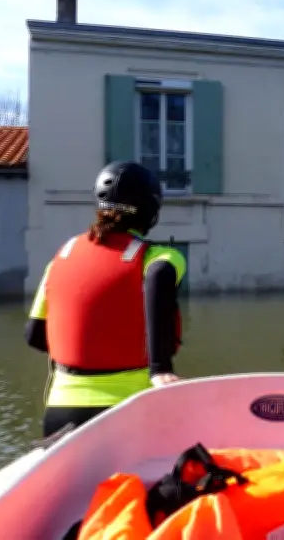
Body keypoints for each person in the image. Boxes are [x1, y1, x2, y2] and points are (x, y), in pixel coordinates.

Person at [25, 161, 187, 438]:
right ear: (151, 210)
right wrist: (160, 368)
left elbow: (34, 336)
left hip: (62, 412)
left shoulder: (61, 257)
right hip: (130, 408)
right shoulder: (159, 256)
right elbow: (159, 276)